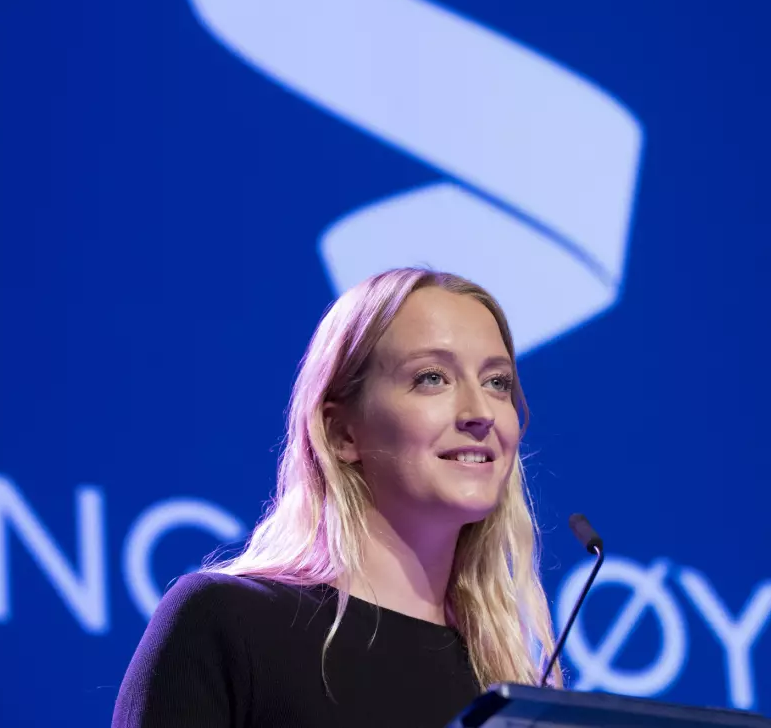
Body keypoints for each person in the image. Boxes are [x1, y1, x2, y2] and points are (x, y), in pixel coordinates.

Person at [112, 268, 558, 728]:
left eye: (497, 382)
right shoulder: (229, 624)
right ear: (341, 432)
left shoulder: (506, 688)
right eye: (431, 378)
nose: (481, 413)